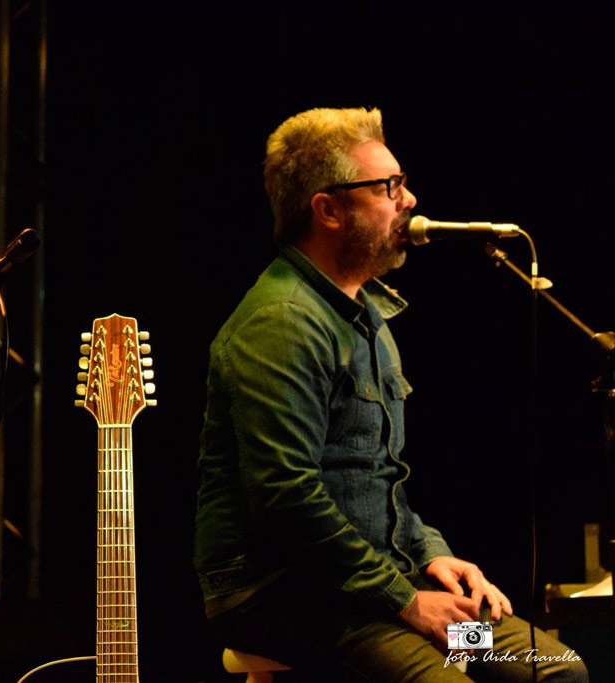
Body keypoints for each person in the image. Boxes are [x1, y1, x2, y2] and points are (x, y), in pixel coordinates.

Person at [193, 108, 587, 682]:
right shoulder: (280, 321)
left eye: (400, 183)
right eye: (388, 187)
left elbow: (375, 481)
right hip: (288, 599)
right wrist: (407, 601)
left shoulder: (367, 313)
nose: (409, 200)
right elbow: (287, 498)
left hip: (370, 588)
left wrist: (430, 555)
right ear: (327, 209)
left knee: (549, 668)